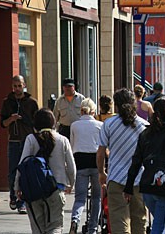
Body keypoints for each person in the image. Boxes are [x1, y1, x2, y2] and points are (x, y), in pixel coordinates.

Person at [123, 97, 165, 234]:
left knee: (161, 221)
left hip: (147, 185)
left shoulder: (145, 134)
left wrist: (129, 187)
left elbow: (136, 161)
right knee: (160, 224)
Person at [14, 108, 76, 233]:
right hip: (56, 188)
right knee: (55, 226)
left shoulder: (31, 139)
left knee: (38, 228)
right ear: (53, 122)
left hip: (34, 190)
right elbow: (71, 167)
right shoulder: (63, 140)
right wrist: (71, 184)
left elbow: (22, 164)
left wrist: (17, 186)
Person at [97, 88, 149, 234]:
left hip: (116, 179)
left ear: (117, 106)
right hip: (139, 180)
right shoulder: (144, 126)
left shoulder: (108, 124)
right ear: (134, 104)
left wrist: (101, 172)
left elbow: (101, 152)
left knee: (119, 224)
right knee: (139, 222)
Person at [1, 75, 39, 214]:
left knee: (25, 171)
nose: (17, 88)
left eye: (19, 85)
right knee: (12, 172)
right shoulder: (7, 102)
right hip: (13, 141)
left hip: (28, 140)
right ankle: (13, 197)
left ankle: (22, 201)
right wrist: (11, 118)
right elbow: (3, 124)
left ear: (24, 85)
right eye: (14, 86)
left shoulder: (31, 102)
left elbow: (38, 123)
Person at [69, 98, 102, 234]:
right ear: (93, 111)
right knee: (96, 197)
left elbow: (72, 144)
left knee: (80, 197)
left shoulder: (74, 125)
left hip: (80, 162)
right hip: (96, 162)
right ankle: (92, 228)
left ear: (81, 110)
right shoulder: (100, 125)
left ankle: (75, 220)